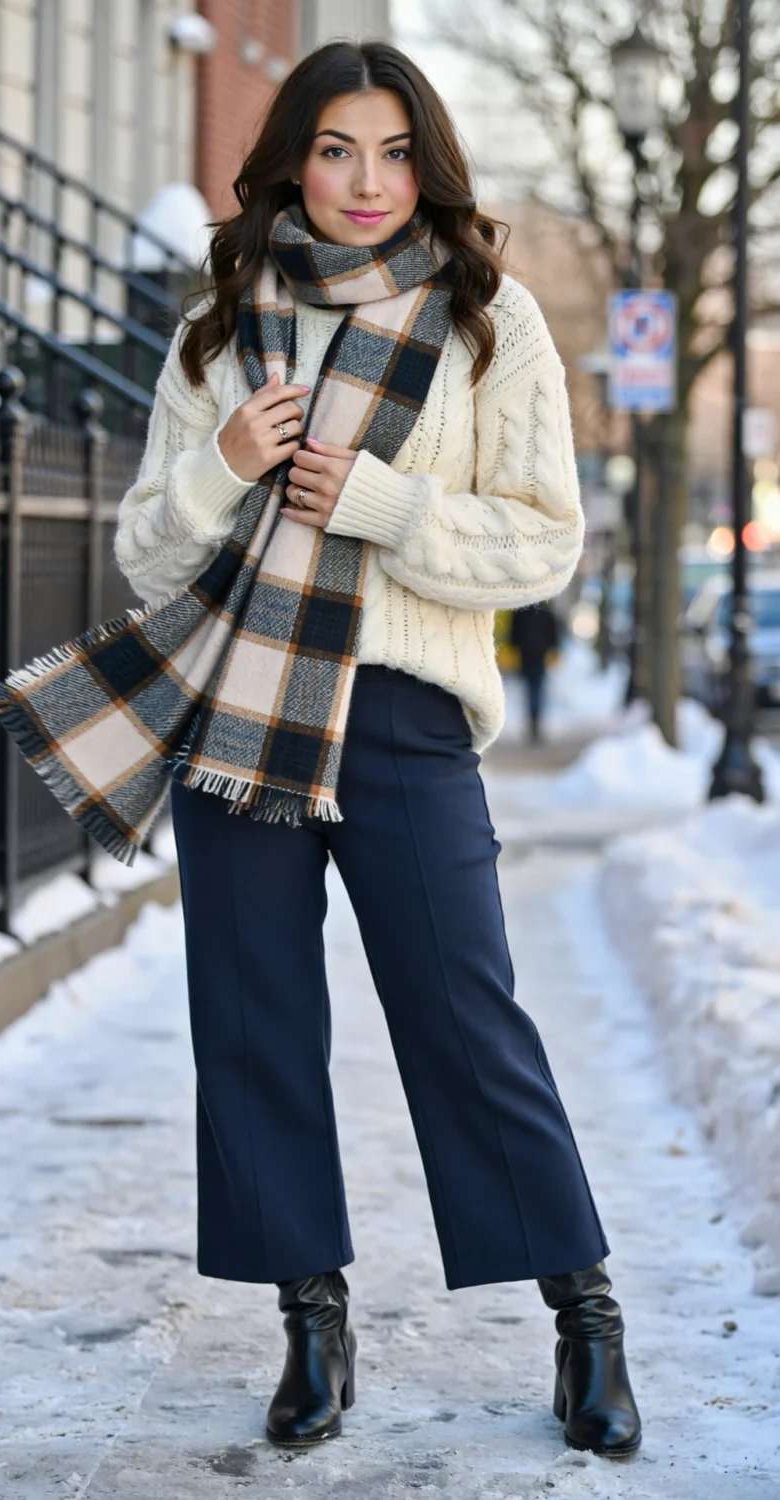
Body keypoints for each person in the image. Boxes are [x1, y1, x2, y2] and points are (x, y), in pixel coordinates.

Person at [114, 40, 641, 1459]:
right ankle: (311, 1318)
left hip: (402, 714)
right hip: (242, 715)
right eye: (338, 149)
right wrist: (223, 464)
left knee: (466, 1017)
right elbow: (144, 553)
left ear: (429, 164)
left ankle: (585, 1316)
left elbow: (543, 540)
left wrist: (386, 505)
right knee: (256, 1022)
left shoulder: (488, 318)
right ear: (292, 157)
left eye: (396, 152)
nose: (367, 181)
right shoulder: (220, 324)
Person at [510, 601, 561, 743]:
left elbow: (514, 634)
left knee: (531, 690)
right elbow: (553, 634)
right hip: (539, 656)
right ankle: (535, 724)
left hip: (526, 655)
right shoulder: (545, 611)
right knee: (536, 689)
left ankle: (532, 724)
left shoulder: (521, 611)